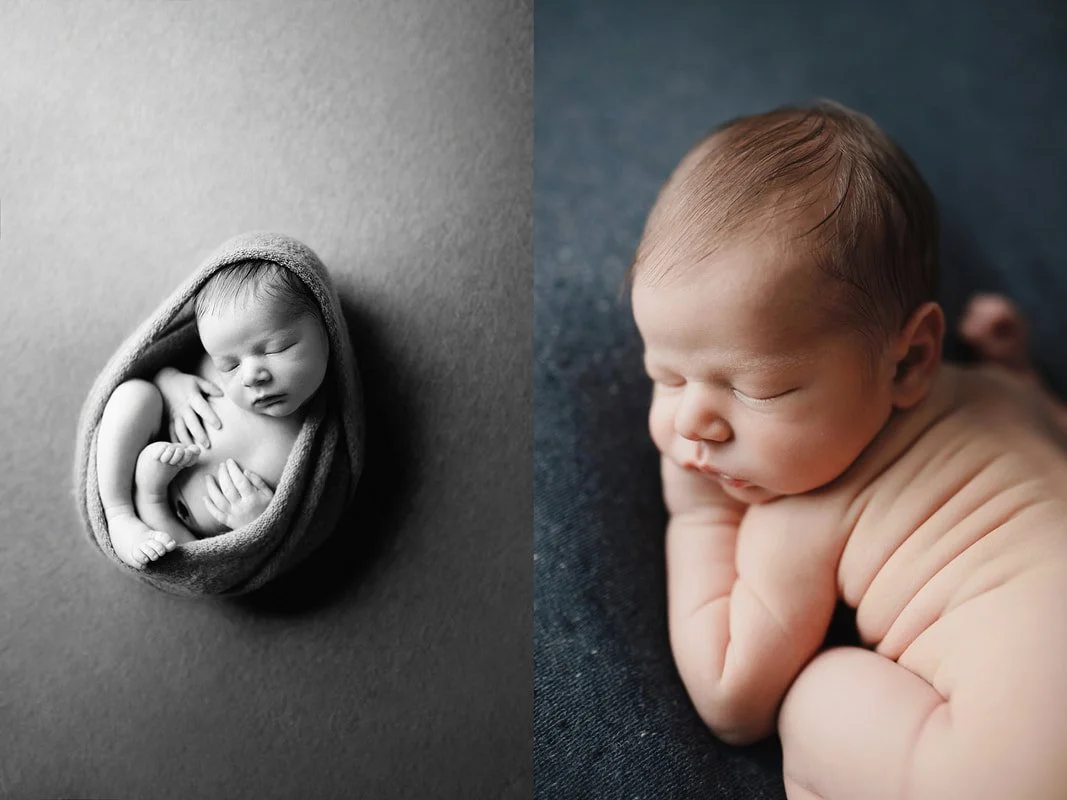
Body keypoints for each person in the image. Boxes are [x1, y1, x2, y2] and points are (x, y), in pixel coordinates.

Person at [629, 100, 1067, 798]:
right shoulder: (997, 396)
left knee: (817, 691)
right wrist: (1018, 370)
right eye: (665, 376)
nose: (693, 423)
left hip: (1003, 774)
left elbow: (730, 699)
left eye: (759, 390)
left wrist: (699, 517)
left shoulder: (802, 512)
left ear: (908, 360)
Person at [95, 259, 331, 570]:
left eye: (276, 348)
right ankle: (119, 512)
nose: (250, 376)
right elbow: (164, 371)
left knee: (188, 564)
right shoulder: (211, 368)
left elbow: (302, 531)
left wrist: (258, 524)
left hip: (181, 534)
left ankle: (150, 498)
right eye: (229, 365)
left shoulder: (320, 443)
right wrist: (170, 384)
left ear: (328, 327)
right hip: (153, 440)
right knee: (135, 394)